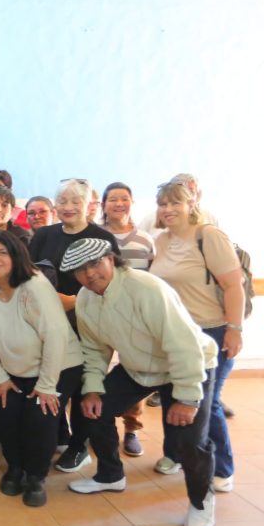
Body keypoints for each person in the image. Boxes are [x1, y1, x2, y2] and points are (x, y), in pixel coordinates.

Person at [61, 238, 220, 526]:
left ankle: (201, 501)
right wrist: (93, 389)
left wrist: (187, 396)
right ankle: (110, 475)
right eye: (80, 271)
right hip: (138, 367)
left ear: (111, 259)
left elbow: (183, 344)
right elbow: (95, 350)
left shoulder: (147, 288)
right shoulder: (85, 298)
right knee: (93, 411)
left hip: (187, 365)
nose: (90, 274)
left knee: (189, 440)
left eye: (95, 264)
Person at [0, 230, 81, 507]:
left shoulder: (34, 285)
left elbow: (56, 336)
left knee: (39, 416)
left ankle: (35, 476)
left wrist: (46, 386)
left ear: (16, 254)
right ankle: (15, 468)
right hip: (12, 369)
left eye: (2, 253)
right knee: (5, 413)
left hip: (58, 365)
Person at [149, 181, 243, 492]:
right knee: (171, 395)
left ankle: (223, 467)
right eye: (163, 204)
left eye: (176, 203)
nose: (168, 209)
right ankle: (175, 454)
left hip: (210, 330)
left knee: (208, 402)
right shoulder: (161, 240)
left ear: (192, 204)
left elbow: (233, 286)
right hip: (172, 333)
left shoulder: (208, 236)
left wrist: (234, 329)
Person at [28, 179, 120, 475]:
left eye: (75, 201)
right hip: (48, 327)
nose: (67, 207)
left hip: (89, 326)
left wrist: (70, 302)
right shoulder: (43, 236)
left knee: (83, 387)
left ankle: (80, 446)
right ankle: (59, 435)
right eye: (62, 201)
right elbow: (28, 274)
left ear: (89, 205)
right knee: (51, 382)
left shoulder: (102, 238)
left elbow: (114, 285)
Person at [100, 181, 157, 457]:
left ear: (131, 203)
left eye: (124, 199)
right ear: (104, 205)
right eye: (113, 199)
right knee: (95, 369)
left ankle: (132, 430)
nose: (119, 204)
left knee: (135, 369)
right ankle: (97, 426)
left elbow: (154, 277)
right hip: (99, 312)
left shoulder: (145, 240)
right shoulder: (95, 235)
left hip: (135, 316)